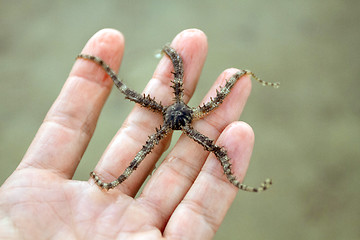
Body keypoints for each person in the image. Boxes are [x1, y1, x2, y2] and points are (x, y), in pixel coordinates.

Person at [0, 28, 256, 239]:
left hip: (186, 120)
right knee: (143, 144)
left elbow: (210, 142)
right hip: (184, 119)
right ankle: (104, 66)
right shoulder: (183, 114)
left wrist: (171, 52)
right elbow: (136, 153)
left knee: (199, 144)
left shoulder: (184, 116)